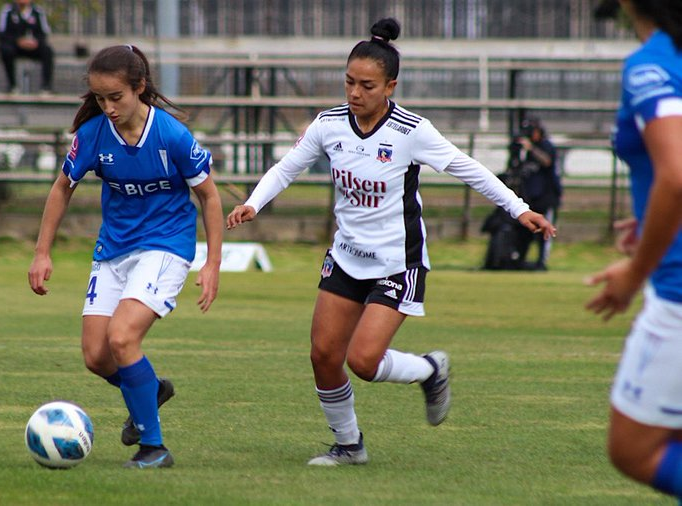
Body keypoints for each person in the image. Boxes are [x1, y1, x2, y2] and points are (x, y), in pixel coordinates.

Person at [226, 17, 556, 466]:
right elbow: (287, 167)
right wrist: (253, 203)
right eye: (349, 82)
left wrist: (519, 209)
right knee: (324, 356)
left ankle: (429, 369)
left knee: (363, 362)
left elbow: (468, 168)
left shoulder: (410, 131)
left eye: (366, 85)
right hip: (346, 257)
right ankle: (349, 446)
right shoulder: (328, 124)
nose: (354, 93)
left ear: (390, 87)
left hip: (397, 263)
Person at [27, 45, 224, 469]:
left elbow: (209, 196)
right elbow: (62, 188)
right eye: (100, 99)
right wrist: (42, 252)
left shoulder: (171, 135)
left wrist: (212, 263)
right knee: (97, 357)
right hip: (114, 249)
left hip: (166, 245)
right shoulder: (93, 135)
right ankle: (149, 389)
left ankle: (154, 448)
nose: (108, 108)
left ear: (139, 88)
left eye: (115, 97)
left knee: (122, 338)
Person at [587, 0, 682, 501]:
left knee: (635, 450)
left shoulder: (652, 63)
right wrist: (651, 221)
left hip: (677, 290)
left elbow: (677, 175)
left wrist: (635, 270)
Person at [513, 117, 561, 270]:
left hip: (546, 195)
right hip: (530, 196)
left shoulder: (546, 146)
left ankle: (542, 261)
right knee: (525, 230)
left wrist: (531, 148)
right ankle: (520, 259)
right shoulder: (523, 150)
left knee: (545, 229)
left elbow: (547, 161)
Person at [0, 0, 55, 94]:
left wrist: (36, 42)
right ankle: (12, 86)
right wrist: (18, 41)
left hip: (34, 47)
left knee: (47, 51)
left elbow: (44, 33)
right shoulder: (7, 11)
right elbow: (2, 33)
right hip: (15, 46)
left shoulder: (38, 11)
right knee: (6, 51)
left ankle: (46, 87)